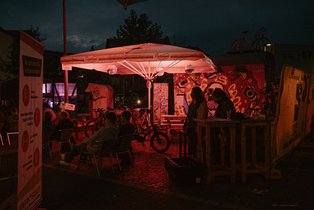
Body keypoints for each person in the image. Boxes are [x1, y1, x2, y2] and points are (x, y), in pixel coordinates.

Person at [184, 86, 208, 157]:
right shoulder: (193, 103)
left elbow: (201, 117)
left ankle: (194, 155)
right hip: (191, 125)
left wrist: (192, 120)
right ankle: (192, 154)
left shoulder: (201, 103)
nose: (191, 94)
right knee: (191, 141)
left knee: (194, 141)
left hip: (197, 127)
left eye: (192, 93)